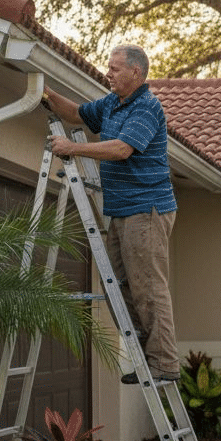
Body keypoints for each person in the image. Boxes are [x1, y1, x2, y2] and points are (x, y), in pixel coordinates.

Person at [42, 44, 180, 384]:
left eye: (115, 68)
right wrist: (43, 92)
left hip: (145, 209)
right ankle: (146, 360)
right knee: (124, 288)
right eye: (109, 67)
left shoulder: (146, 107)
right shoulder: (111, 103)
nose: (109, 73)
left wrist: (71, 148)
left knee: (147, 287)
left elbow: (121, 149)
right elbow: (77, 114)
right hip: (120, 210)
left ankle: (164, 363)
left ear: (136, 72)